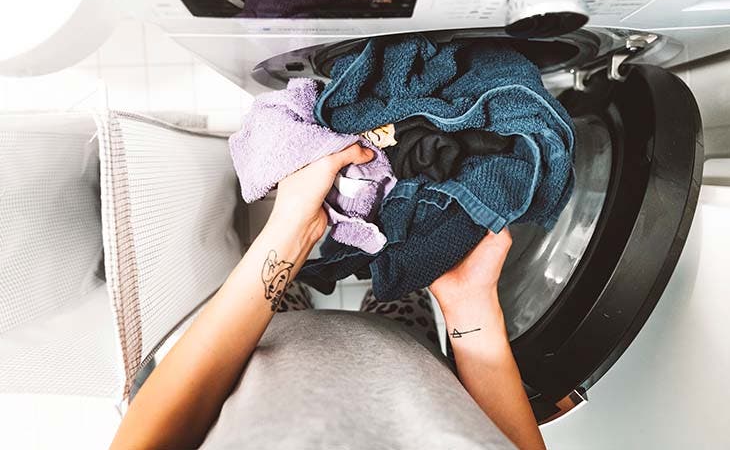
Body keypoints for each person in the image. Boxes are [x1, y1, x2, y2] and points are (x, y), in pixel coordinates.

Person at [110, 144, 546, 450]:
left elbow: (147, 440)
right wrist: (469, 304)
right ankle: (374, 279)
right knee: (395, 291)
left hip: (245, 356)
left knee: (291, 294)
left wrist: (291, 236)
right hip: (407, 343)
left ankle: (301, 285)